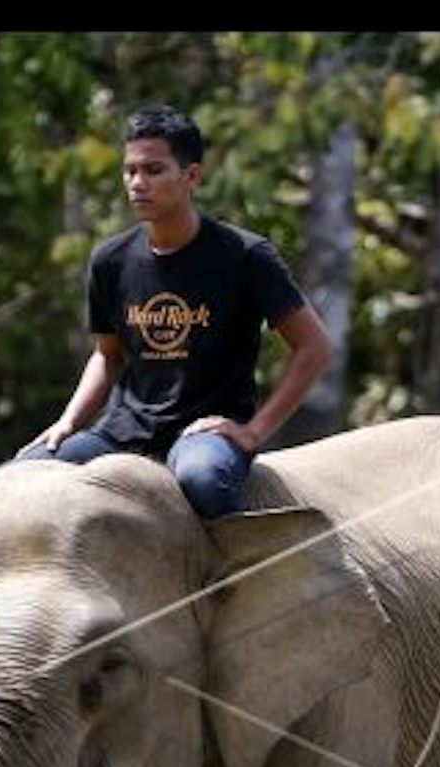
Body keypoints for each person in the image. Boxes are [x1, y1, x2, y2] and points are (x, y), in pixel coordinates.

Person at [17, 103, 334, 518]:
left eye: (153, 170)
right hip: (121, 434)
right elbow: (108, 356)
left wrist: (253, 431)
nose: (137, 183)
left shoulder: (246, 255)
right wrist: (68, 422)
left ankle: (234, 582)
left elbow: (314, 348)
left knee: (204, 479)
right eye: (130, 171)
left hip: (201, 438)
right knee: (16, 479)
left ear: (192, 176)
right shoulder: (110, 261)